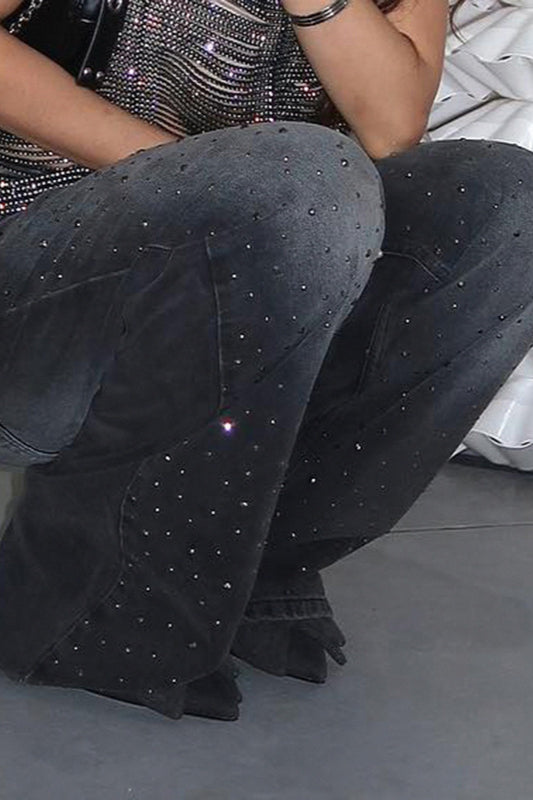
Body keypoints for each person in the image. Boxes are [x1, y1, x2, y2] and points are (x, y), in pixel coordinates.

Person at [1, 0, 532, 722]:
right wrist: (200, 181)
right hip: (37, 289)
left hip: (255, 270)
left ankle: (256, 569)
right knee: (294, 176)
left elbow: (389, 125)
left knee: (506, 205)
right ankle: (91, 601)